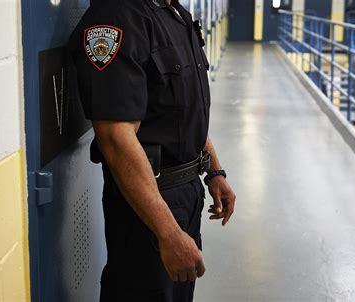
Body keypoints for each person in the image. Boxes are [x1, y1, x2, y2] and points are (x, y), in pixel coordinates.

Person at [68, 0, 236, 301]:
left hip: (185, 194)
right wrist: (167, 232)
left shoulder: (174, 14)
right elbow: (115, 138)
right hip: (148, 203)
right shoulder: (117, 16)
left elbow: (182, 113)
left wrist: (213, 171)